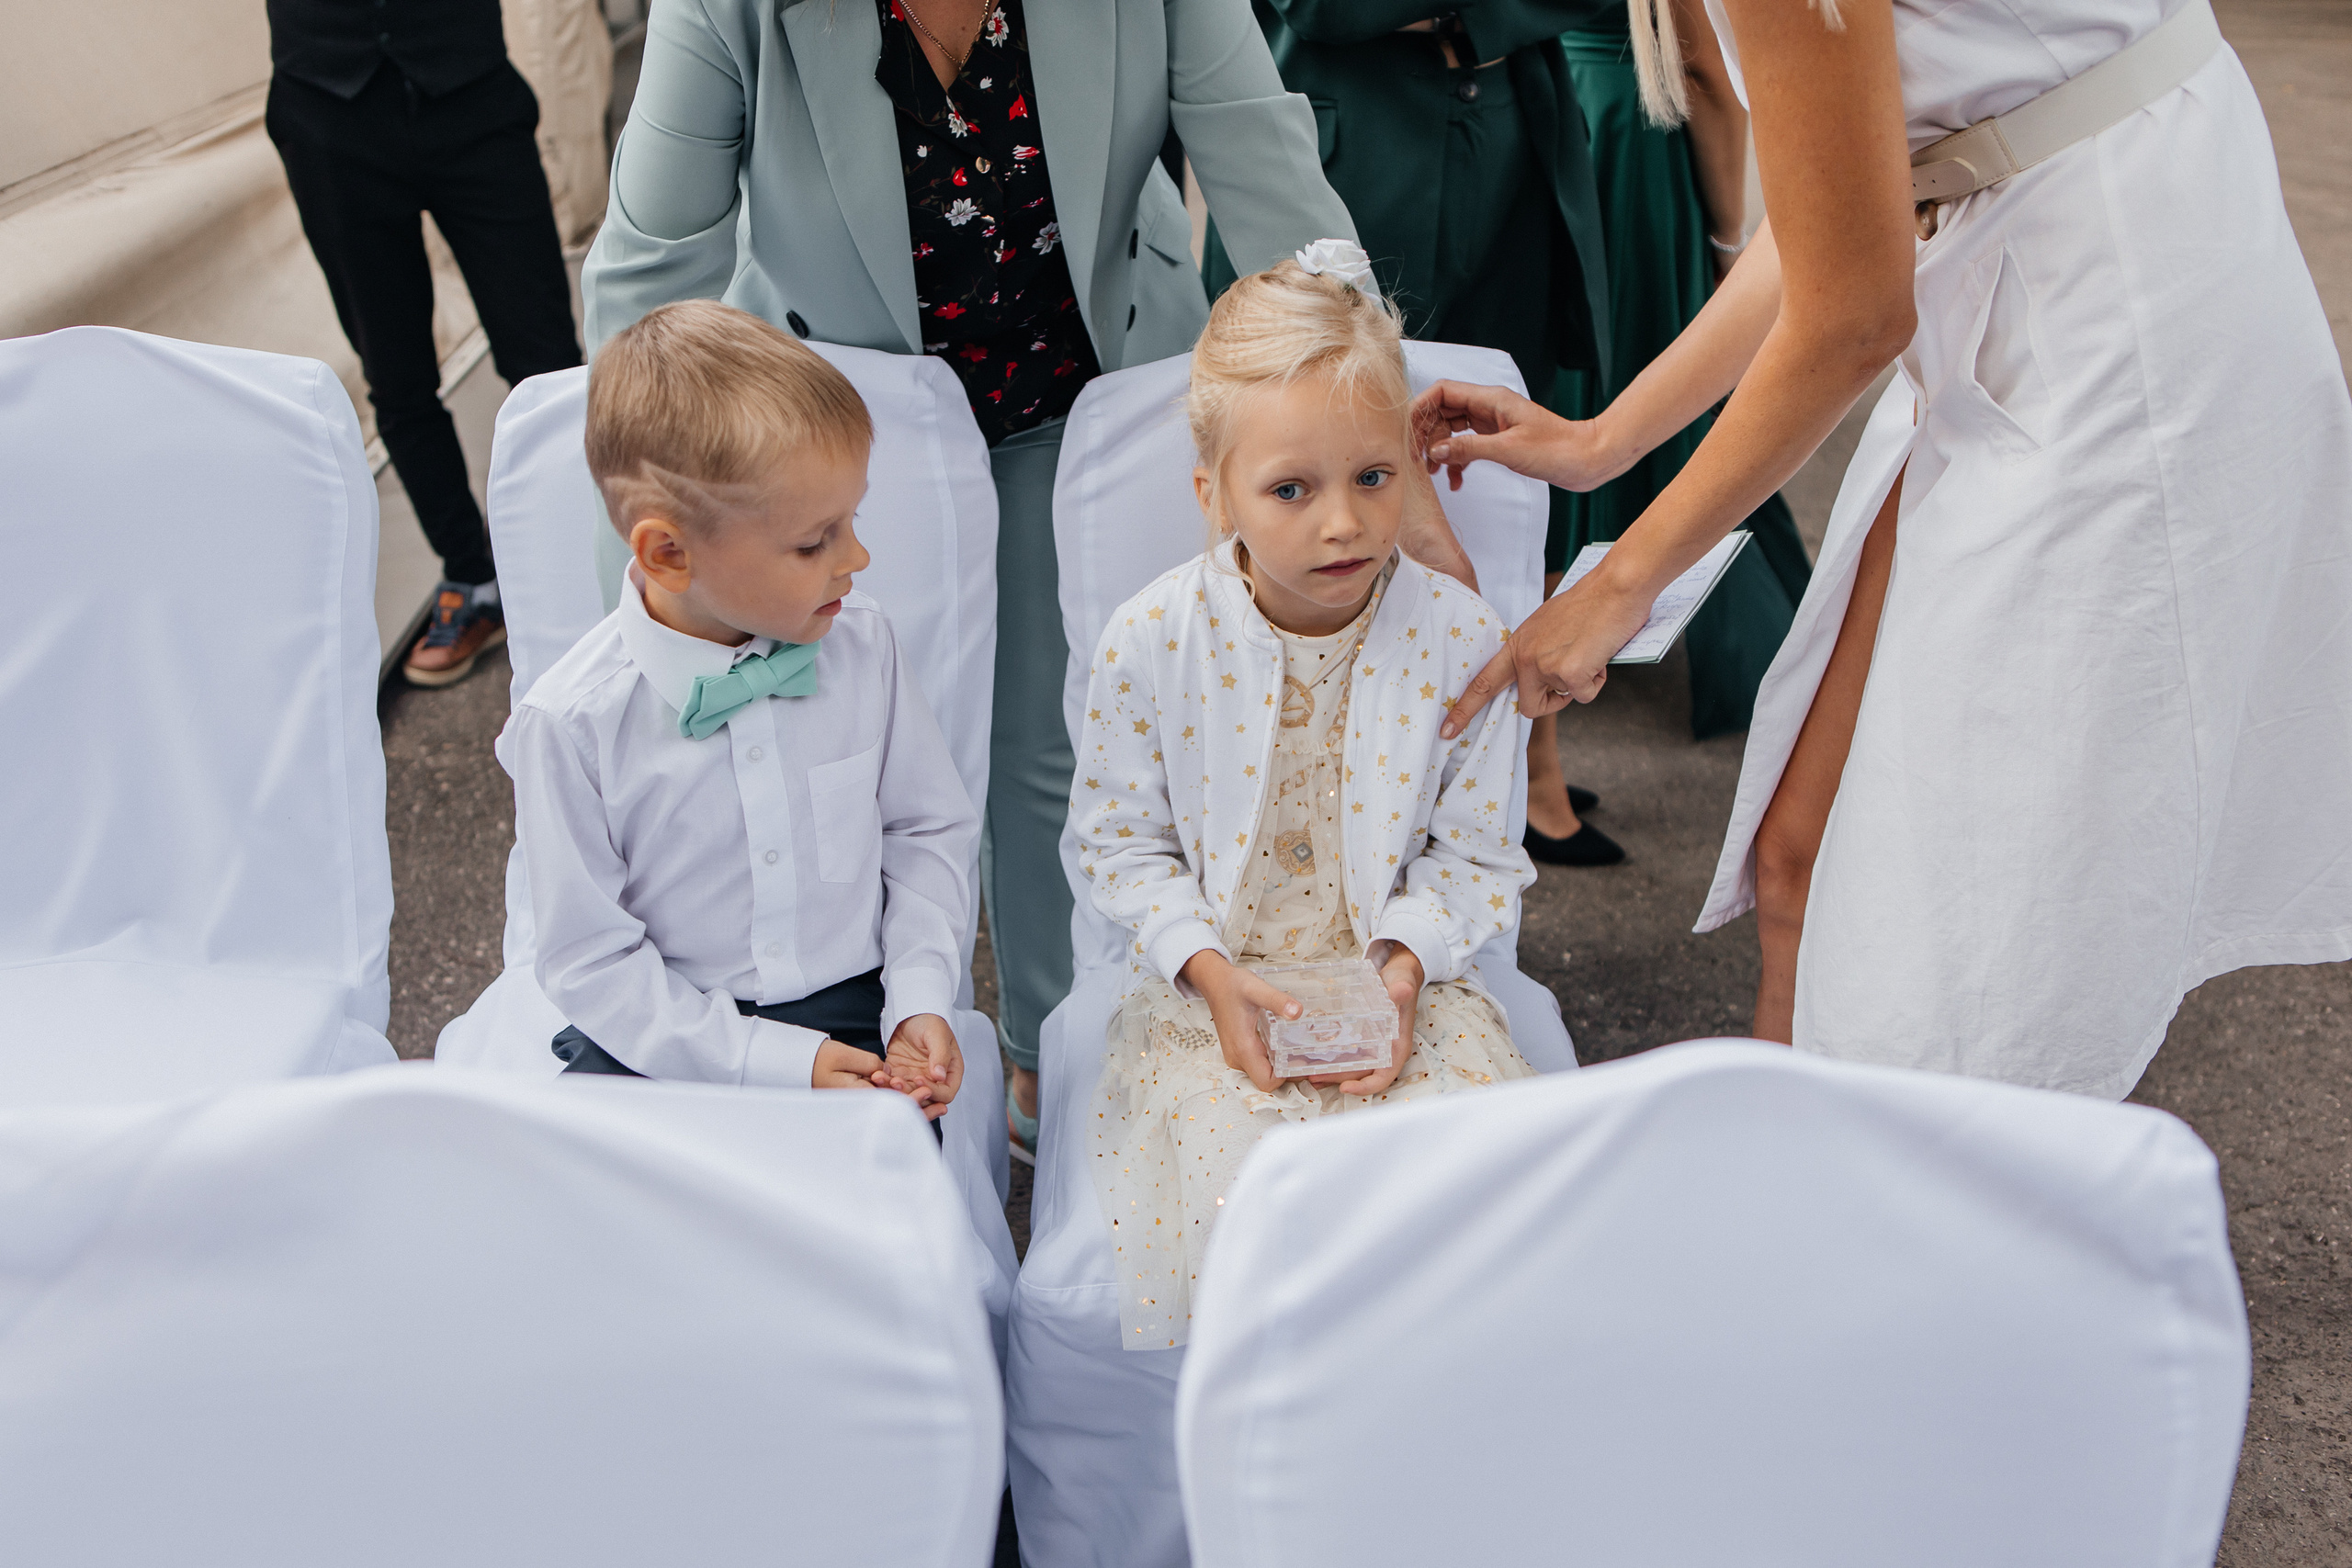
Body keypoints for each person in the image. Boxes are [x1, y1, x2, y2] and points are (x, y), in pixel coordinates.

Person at [1420, 0, 2352, 1099]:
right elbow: (1832, 209)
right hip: (2013, 288)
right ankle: (1805, 1170)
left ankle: (1913, 1178)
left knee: (1967, 949)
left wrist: (1621, 583)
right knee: (1799, 852)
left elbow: (1853, 313)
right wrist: (1602, 443)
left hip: (2116, 336)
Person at [584, 0, 1381, 1158]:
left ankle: (1053, 1046)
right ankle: (861, 1043)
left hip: (1089, 383)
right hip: (836, 431)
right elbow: (649, 283)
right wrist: (651, 607)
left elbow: (1283, 204)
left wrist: (1377, 433)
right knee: (852, 747)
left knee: (1075, 740)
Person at [1074, 254, 1538, 1348]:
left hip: (1410, 991)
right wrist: (1205, 967)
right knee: (1252, 1208)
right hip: (1209, 1001)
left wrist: (1402, 970)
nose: (1344, 523)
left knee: (1461, 1196)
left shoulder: (1460, 639)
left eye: (1374, 477)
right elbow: (1119, 846)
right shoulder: (1149, 642)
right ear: (1213, 494)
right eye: (1291, 490)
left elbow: (1474, 854)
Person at [502, 300, 971, 1118]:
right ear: (668, 553)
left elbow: (924, 831)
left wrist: (920, 995)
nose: (857, 557)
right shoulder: (570, 725)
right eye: (814, 541)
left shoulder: (866, 647)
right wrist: (766, 1059)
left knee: (874, 1182)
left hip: (853, 1010)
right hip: (661, 1035)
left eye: (852, 521)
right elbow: (590, 958)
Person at [1202, 0, 1626, 864]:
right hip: (1351, 143)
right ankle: (1331, 797)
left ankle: (1519, 757)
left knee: (1502, 464)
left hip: (1513, 124)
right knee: (1323, 465)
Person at [1530, 0, 1811, 852]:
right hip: (1636, 137)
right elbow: (1704, 74)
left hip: (1561, 114)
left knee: (1576, 395)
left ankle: (1532, 751)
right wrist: (1729, 237)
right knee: (1650, 397)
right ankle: (1535, 764)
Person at [265, 0, 583, 688]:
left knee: (547, 363)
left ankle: (578, 562)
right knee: (396, 375)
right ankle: (471, 579)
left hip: (470, 89)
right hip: (327, 111)